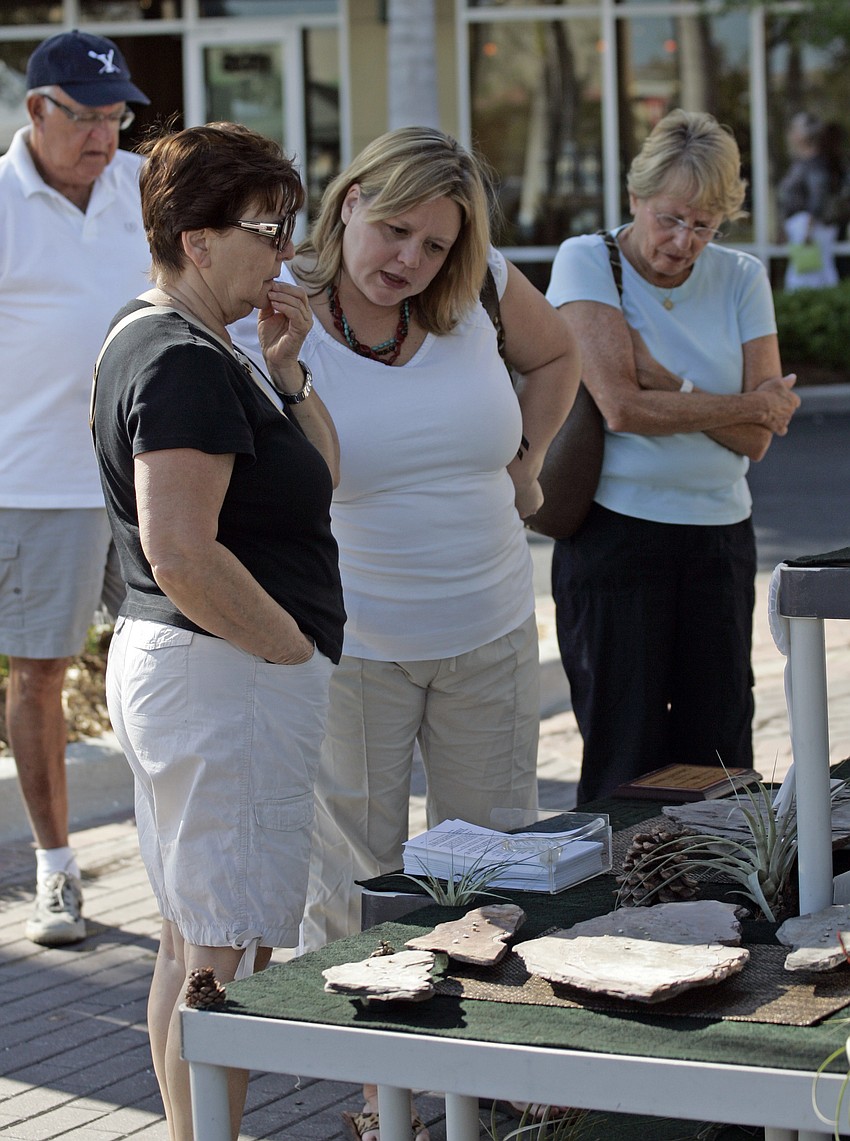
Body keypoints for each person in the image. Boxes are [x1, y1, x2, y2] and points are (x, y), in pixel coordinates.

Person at [271, 125, 580, 1141]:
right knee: (360, 877)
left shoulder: (482, 284)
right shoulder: (278, 311)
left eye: (434, 244)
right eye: (393, 228)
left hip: (488, 625)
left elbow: (557, 352)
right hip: (353, 640)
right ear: (348, 200)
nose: (408, 258)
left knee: (491, 858)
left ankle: (489, 1061)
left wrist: (529, 459)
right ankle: (380, 1094)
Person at [90, 122, 345, 1141]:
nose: (283, 253)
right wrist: (286, 648)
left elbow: (327, 477)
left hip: (206, 672)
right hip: (221, 674)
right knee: (220, 958)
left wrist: (288, 368)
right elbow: (181, 551)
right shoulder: (180, 357)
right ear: (198, 240)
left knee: (195, 940)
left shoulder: (206, 346)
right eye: (266, 230)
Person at [545, 108, 801, 807]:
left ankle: (719, 904)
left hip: (720, 541)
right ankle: (620, 909)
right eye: (670, 218)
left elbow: (756, 439)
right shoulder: (585, 259)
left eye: (705, 225)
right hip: (616, 537)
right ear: (635, 199)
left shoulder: (742, 276)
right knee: (624, 750)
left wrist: (671, 383)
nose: (684, 241)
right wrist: (740, 401)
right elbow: (623, 407)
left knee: (719, 752)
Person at [0, 29, 151, 947]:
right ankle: (57, 869)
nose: (105, 135)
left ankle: (172, 848)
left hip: (149, 471)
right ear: (36, 111)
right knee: (41, 674)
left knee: (177, 658)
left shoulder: (146, 188)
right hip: (38, 482)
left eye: (116, 114)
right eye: (87, 115)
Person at [778, 111, 844, 290]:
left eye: (794, 130)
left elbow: (818, 194)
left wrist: (809, 227)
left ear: (803, 135)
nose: (790, 135)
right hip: (801, 227)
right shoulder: (802, 162)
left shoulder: (815, 164)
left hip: (809, 228)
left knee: (812, 276)